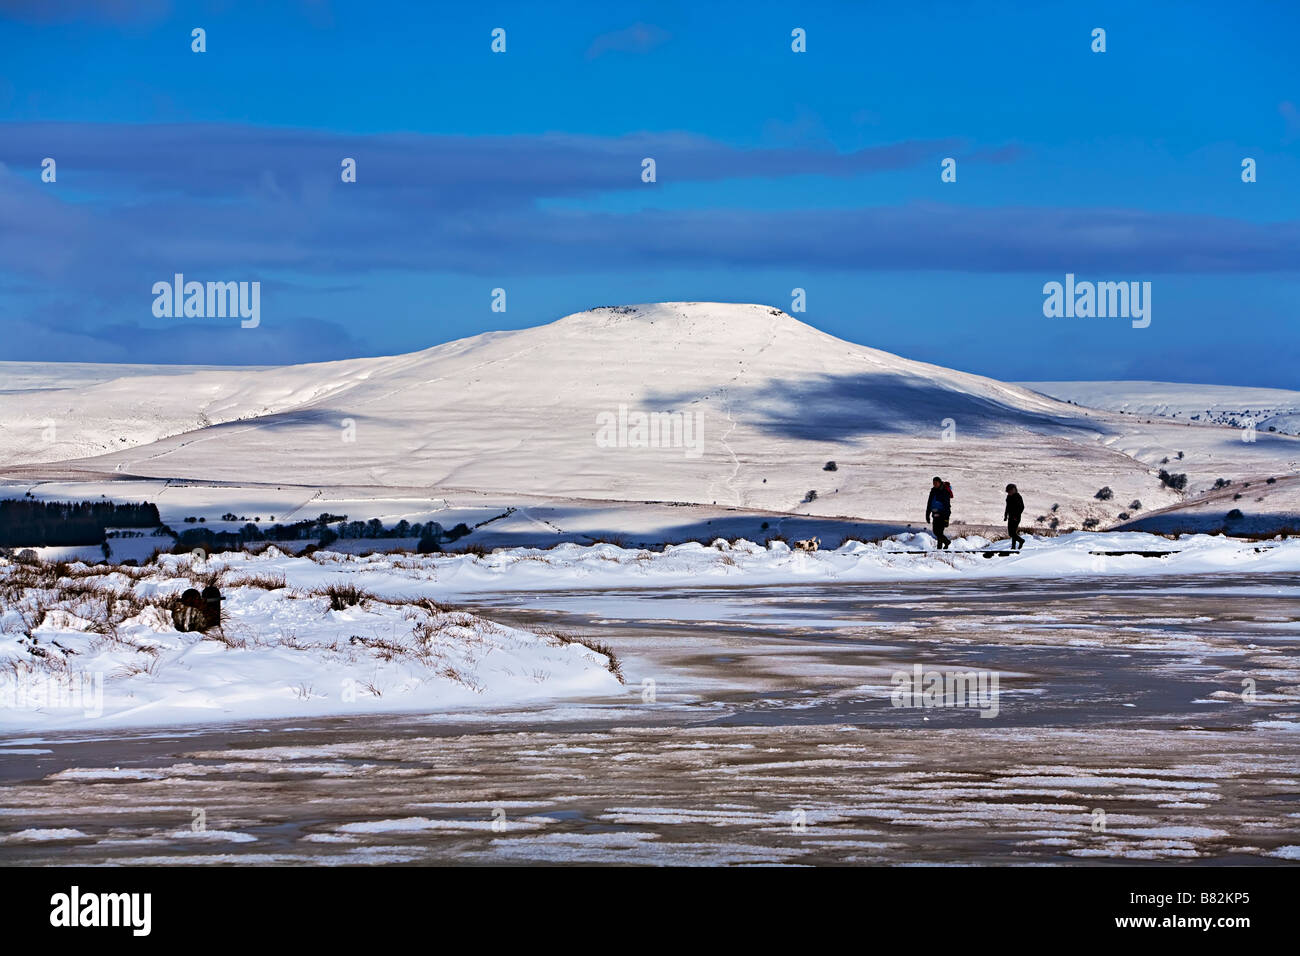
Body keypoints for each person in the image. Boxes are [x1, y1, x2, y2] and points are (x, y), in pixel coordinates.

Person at [925, 476, 953, 550]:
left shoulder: (944, 491)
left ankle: (941, 547)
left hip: (942, 514)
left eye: (936, 483)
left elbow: (947, 506)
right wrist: (927, 514)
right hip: (935, 513)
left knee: (939, 532)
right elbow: (929, 503)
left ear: (940, 482)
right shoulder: (933, 491)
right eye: (933, 483)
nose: (934, 484)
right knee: (936, 531)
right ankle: (945, 543)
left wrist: (946, 519)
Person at [1004, 483, 1025, 550]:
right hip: (1010, 517)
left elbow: (1021, 507)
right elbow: (1007, 507)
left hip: (1016, 517)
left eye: (1009, 491)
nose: (1008, 493)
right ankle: (1013, 547)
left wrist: (1016, 516)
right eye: (1007, 492)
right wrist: (1005, 515)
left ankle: (1021, 541)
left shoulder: (1018, 497)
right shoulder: (1008, 497)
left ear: (1013, 490)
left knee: (1012, 533)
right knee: (1012, 532)